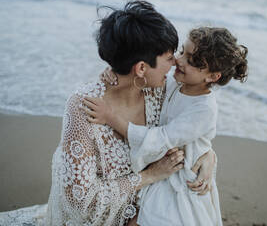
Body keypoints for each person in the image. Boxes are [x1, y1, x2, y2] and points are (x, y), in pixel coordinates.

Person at [45, 0, 217, 226]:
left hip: (146, 212)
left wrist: (209, 155)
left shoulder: (161, 91)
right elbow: (79, 201)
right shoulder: (83, 107)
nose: (176, 62)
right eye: (168, 58)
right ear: (142, 68)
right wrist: (149, 176)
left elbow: (191, 125)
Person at [83, 26, 248, 225]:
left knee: (153, 219)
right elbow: (142, 76)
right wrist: (116, 70)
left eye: (193, 61)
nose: (179, 60)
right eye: (182, 51)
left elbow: (162, 138)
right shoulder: (176, 83)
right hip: (163, 165)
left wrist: (111, 118)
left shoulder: (204, 109)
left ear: (213, 76)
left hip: (181, 177)